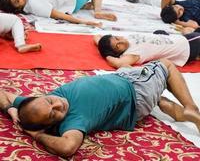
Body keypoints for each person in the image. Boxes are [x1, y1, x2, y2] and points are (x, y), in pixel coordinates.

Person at [0, 59, 200, 158]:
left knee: (160, 100)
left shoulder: (34, 107)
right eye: (54, 113)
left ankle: (180, 113)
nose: (58, 104)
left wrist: (10, 108)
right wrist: (36, 135)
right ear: (52, 125)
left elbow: (3, 93)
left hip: (129, 94)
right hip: (135, 89)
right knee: (166, 66)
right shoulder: (74, 121)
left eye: (50, 101)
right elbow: (68, 147)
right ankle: (191, 108)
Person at [94, 31, 200, 68]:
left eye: (117, 38)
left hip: (171, 39)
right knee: (197, 35)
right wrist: (106, 55)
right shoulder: (132, 54)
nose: (121, 41)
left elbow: (97, 37)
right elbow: (117, 63)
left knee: (159, 31)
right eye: (118, 46)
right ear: (116, 53)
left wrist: (101, 45)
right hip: (186, 46)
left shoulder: (123, 40)